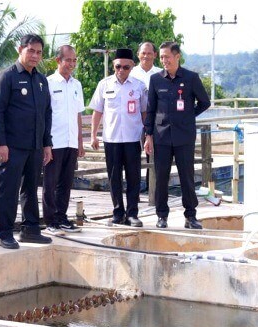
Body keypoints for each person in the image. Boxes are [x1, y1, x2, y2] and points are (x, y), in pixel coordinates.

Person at [0, 33, 53, 249]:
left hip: (35, 145)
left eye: (39, 52)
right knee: (8, 189)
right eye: (31, 50)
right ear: (20, 50)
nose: (35, 56)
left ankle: (31, 229)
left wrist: (47, 143)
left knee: (30, 189)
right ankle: (5, 233)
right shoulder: (7, 77)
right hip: (13, 146)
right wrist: (1, 143)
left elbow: (46, 113)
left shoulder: (42, 80)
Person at [144, 42, 211, 229]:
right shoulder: (156, 80)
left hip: (184, 136)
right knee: (161, 177)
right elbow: (151, 109)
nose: (164, 60)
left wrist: (188, 115)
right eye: (162, 57)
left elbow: (205, 102)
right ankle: (162, 216)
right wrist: (148, 136)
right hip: (162, 136)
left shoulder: (191, 78)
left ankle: (191, 216)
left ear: (177, 56)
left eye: (167, 57)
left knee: (186, 177)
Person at [89, 48, 148, 227]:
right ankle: (117, 212)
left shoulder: (139, 86)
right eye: (117, 66)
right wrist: (93, 135)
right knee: (114, 178)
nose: (121, 70)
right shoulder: (104, 84)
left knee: (133, 178)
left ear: (132, 66)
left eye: (125, 67)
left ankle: (132, 214)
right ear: (113, 66)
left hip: (132, 138)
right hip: (112, 139)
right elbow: (97, 111)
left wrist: (148, 136)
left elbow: (145, 113)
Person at [43, 45, 85, 234]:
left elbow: (77, 114)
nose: (72, 64)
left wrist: (80, 142)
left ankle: (62, 216)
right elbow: (44, 115)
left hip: (71, 142)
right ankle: (50, 220)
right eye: (68, 60)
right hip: (54, 141)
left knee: (66, 183)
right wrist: (46, 143)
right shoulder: (48, 83)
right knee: (50, 183)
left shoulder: (76, 85)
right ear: (58, 60)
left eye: (74, 60)